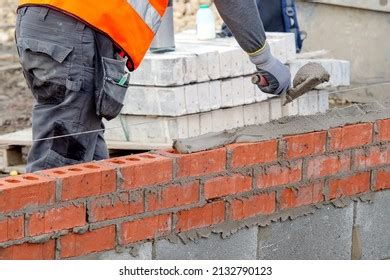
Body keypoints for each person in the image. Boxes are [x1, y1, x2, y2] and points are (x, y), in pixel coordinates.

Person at [15, 0, 290, 172]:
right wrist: (263, 58)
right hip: (77, 26)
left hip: (40, 20)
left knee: (86, 161)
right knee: (59, 166)